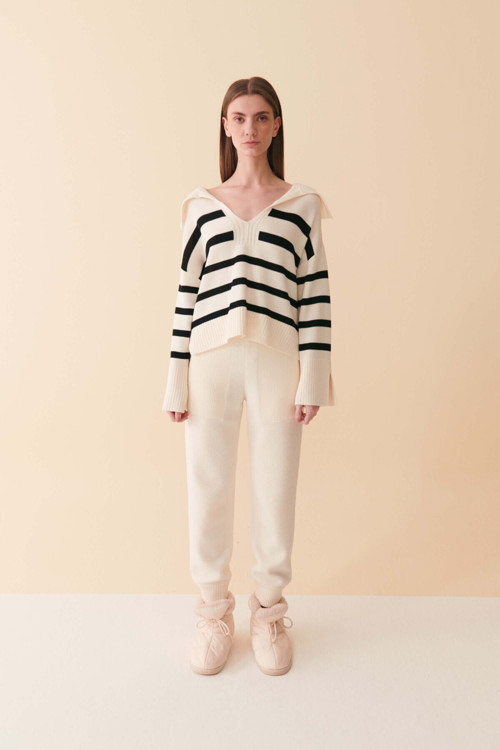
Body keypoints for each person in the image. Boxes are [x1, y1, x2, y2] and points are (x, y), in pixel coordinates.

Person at [162, 76, 337, 676]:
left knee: (275, 487)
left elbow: (315, 297)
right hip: (209, 360)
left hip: (276, 360)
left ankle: (269, 612)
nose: (250, 128)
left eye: (261, 117)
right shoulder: (199, 205)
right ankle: (214, 612)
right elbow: (185, 296)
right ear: (225, 126)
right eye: (239, 118)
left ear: (276, 125)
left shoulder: (302, 204)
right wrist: (175, 380)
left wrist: (314, 379)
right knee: (207, 486)